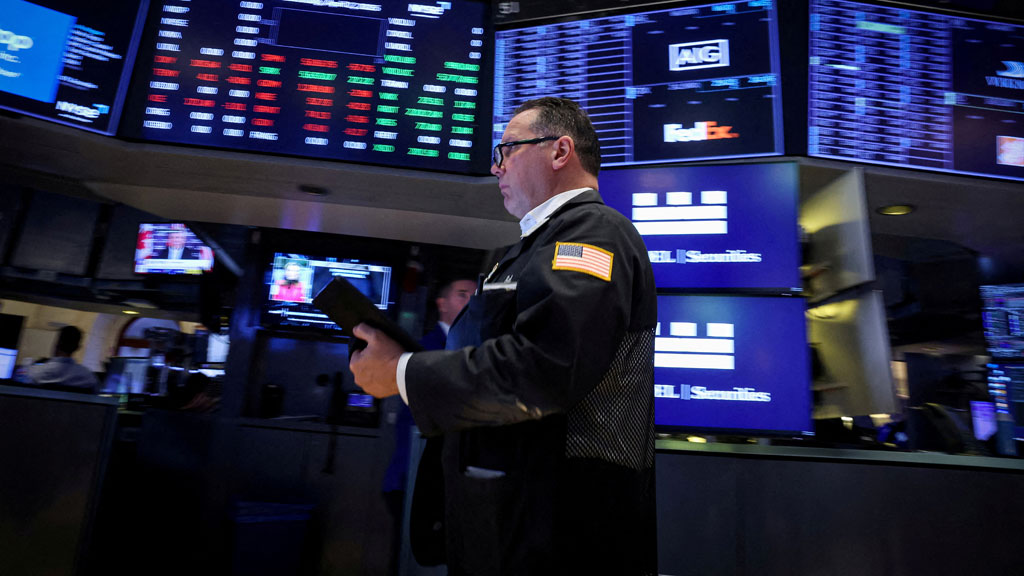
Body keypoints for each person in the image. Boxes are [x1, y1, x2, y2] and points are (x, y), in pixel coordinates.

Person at [350, 97, 658, 575]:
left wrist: (402, 374)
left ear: (560, 151)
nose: (496, 168)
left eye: (507, 150)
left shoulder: (595, 234)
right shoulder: (524, 251)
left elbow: (543, 367)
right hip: (504, 522)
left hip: (559, 533)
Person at [382, 277, 477, 572]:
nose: (471, 302)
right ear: (442, 304)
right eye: (462, 295)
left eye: (477, 296)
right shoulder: (426, 350)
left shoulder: (471, 349)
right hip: (411, 477)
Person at [22, 326, 99, 393]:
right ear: (78, 347)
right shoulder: (88, 377)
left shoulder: (35, 372)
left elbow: (21, 381)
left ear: (58, 342)